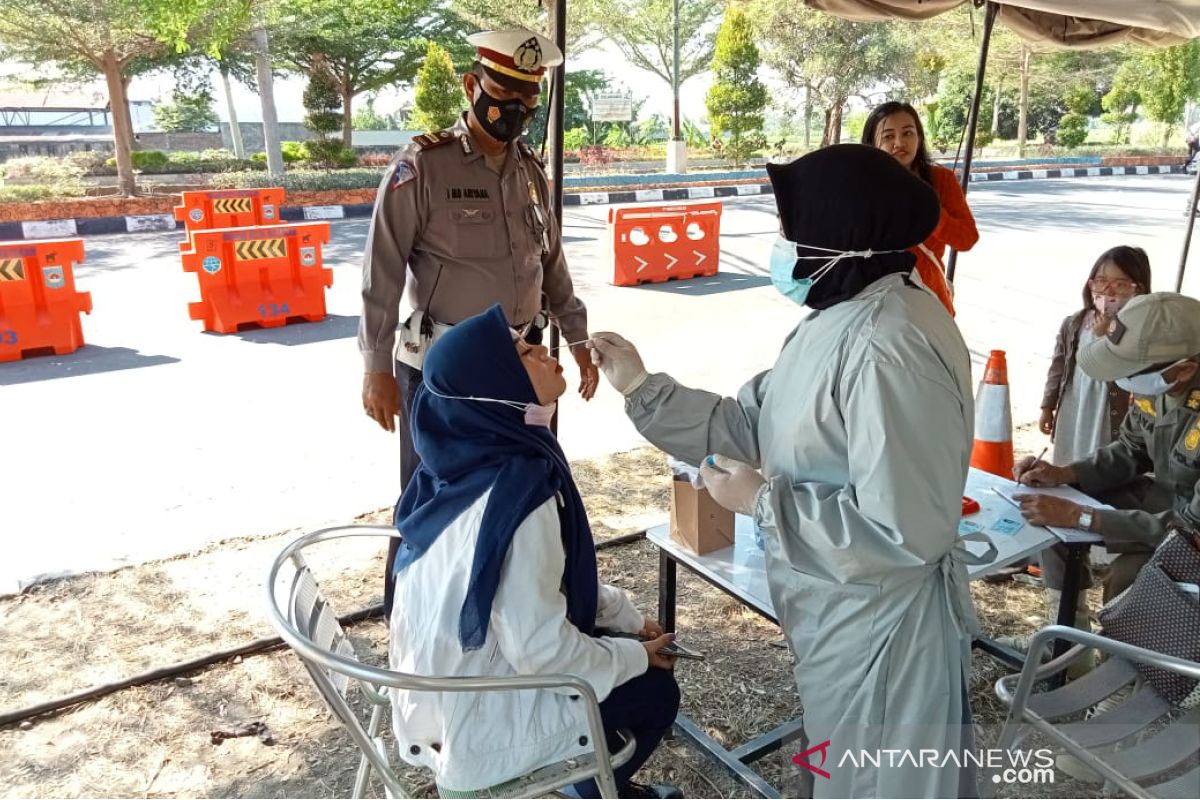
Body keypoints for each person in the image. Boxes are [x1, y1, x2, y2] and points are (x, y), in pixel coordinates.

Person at [590, 145, 989, 798]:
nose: (781, 243)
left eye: (788, 228)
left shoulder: (890, 346)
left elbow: (902, 532)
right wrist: (643, 388)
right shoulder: (840, 317)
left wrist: (766, 504)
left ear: (842, 234)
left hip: (883, 630)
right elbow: (755, 422)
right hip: (838, 611)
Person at [389, 305, 681, 800]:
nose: (544, 349)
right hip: (478, 717)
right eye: (523, 353)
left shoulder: (457, 465)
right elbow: (540, 649)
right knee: (656, 690)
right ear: (496, 385)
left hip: (435, 690)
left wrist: (625, 618)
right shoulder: (519, 496)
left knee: (615, 651)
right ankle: (602, 790)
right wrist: (635, 655)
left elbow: (545, 582)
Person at [358, 28, 600, 615]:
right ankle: (412, 617)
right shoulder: (423, 167)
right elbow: (380, 276)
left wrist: (579, 337)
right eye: (504, 93)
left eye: (528, 100)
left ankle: (511, 613)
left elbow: (552, 263)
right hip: (448, 372)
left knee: (523, 494)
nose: (515, 109)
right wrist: (375, 368)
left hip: (524, 368)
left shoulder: (531, 171)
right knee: (434, 500)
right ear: (472, 86)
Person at [1013, 292, 1200, 606]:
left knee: (1128, 577)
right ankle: (1069, 644)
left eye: (1130, 372)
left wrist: (1084, 518)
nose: (1121, 381)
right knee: (1050, 515)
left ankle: (1116, 653)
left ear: (1184, 370)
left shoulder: (1169, 379)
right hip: (1166, 501)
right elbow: (1130, 449)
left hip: (1190, 529)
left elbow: (1191, 528)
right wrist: (1064, 474)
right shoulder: (1161, 386)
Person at [862, 101, 979, 316]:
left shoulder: (941, 180)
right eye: (888, 136)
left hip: (929, 301)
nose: (899, 142)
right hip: (876, 304)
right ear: (872, 144)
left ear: (920, 137)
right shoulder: (862, 188)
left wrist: (929, 211)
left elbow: (967, 239)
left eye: (908, 133)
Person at [1041, 246, 1151, 466]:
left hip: (1106, 411)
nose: (1108, 292)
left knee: (1099, 460)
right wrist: (1047, 406)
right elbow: (1059, 366)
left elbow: (1128, 362)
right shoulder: (1075, 322)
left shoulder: (1138, 328)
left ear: (1137, 290)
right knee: (1068, 456)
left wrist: (1109, 332)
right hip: (1075, 402)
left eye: (1120, 285)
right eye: (1101, 281)